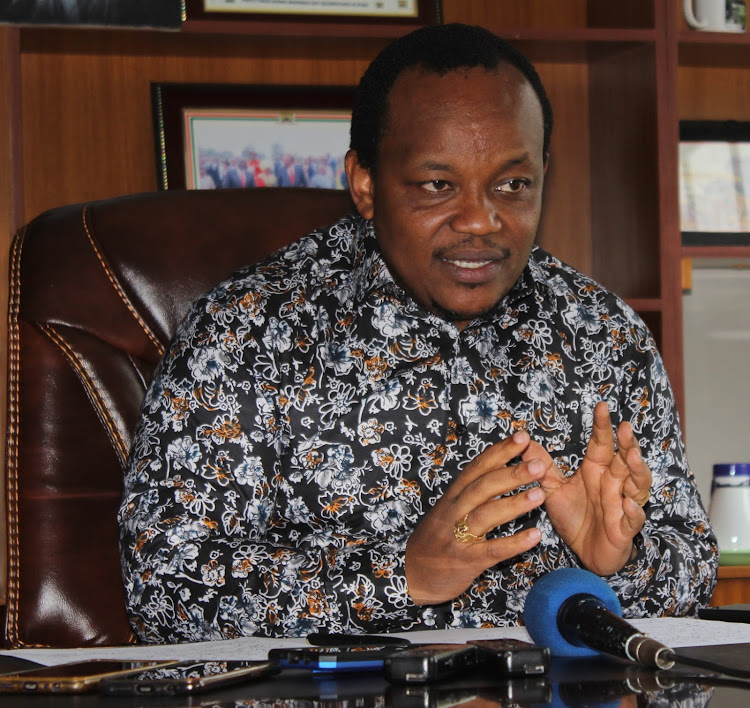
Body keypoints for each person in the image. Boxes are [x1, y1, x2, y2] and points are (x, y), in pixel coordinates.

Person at [119, 23, 718, 643]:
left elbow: (694, 567)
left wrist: (614, 564)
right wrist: (405, 573)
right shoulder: (248, 332)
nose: (482, 221)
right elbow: (161, 586)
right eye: (438, 185)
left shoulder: (602, 334)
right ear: (366, 184)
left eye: (513, 184)